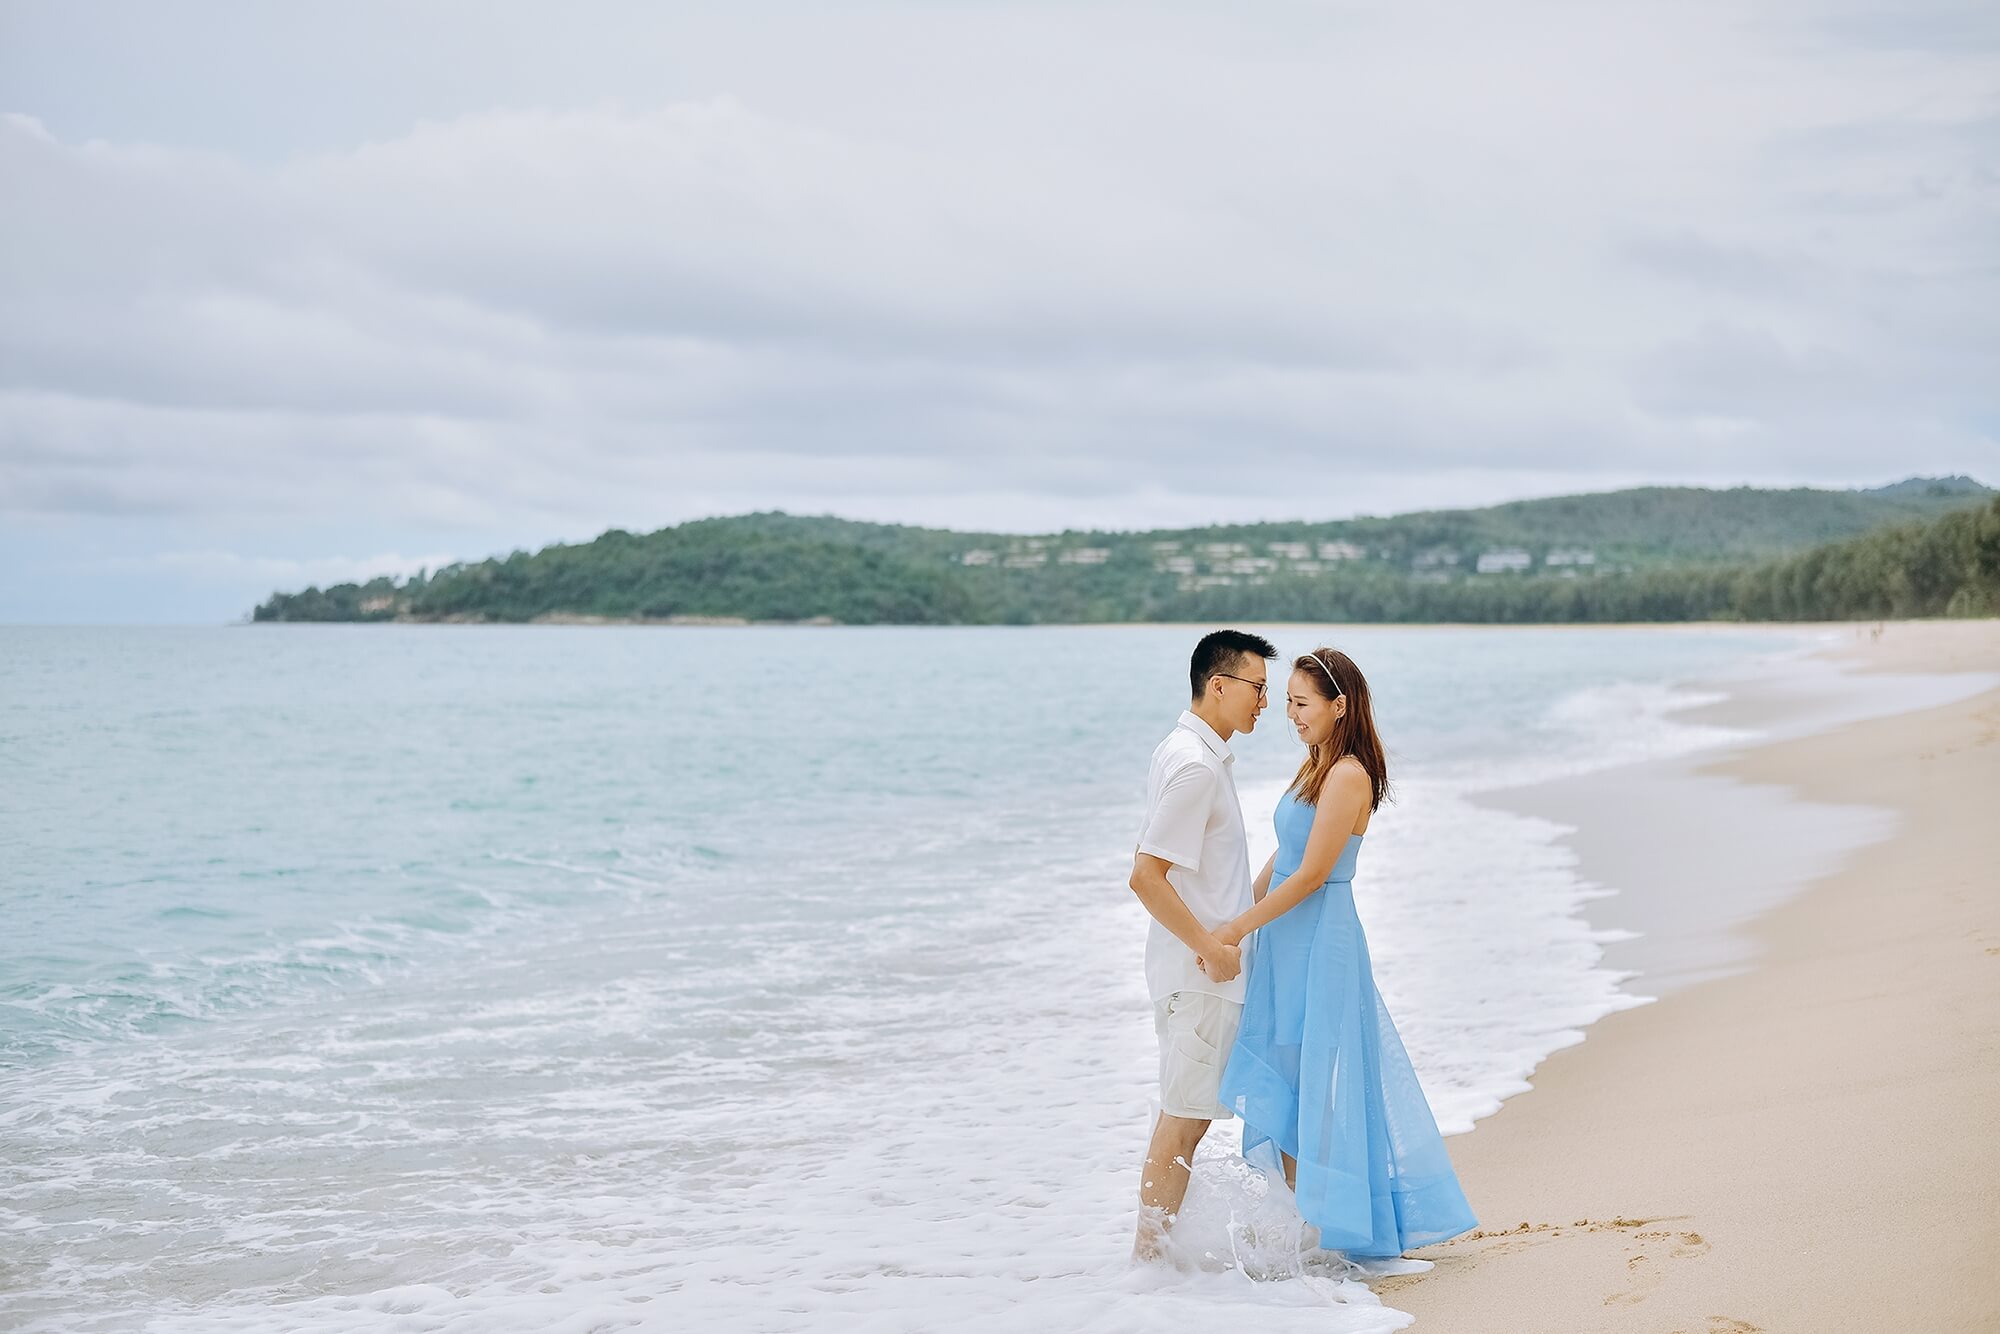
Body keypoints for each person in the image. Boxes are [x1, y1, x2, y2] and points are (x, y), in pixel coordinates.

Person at [1210, 647, 1477, 1260]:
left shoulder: (1349, 773)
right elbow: (1284, 856)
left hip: (1320, 937)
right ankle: (1301, 1228)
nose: (1291, 715)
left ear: (1339, 706)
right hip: (1283, 938)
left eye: (1302, 704)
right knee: (1284, 1076)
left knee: (1321, 1083)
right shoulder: (1314, 765)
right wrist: (1241, 924)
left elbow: (1309, 877)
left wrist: (1234, 930)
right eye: (1286, 704)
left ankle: (1335, 1228)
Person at [1127, 628, 1276, 1262]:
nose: (1264, 704)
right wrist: (1210, 948)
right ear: (1218, 686)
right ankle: (1148, 1267)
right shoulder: (1193, 765)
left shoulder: (1194, 753)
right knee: (1183, 1120)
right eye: (1257, 689)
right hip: (1198, 974)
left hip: (1195, 972)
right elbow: (1144, 874)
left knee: (1188, 1117)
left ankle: (1156, 1264)